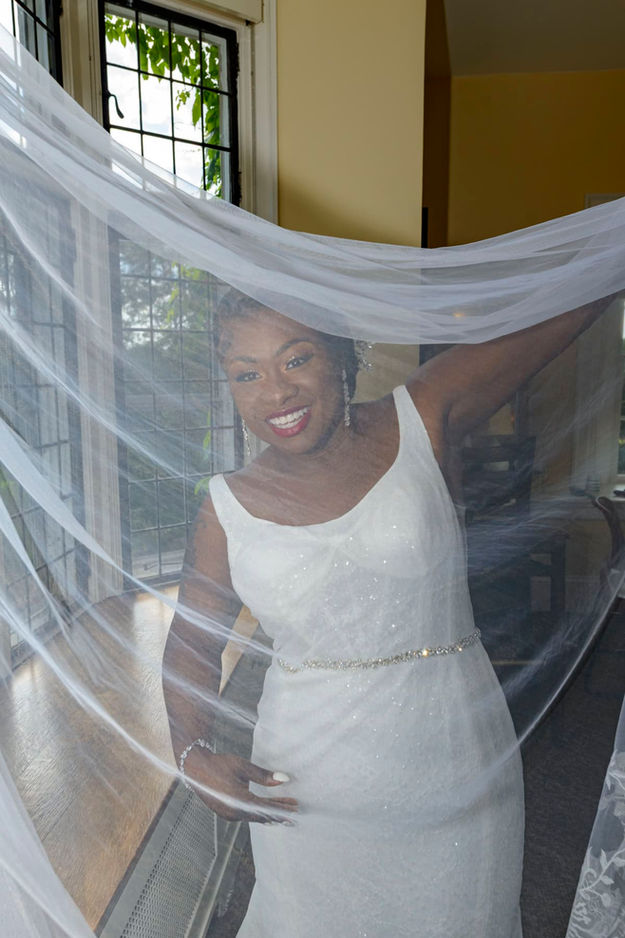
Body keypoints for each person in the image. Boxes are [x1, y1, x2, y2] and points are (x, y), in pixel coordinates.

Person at [162, 293, 609, 937]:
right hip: (308, 789)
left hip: (454, 769)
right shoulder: (225, 508)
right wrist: (191, 751)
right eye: (247, 373)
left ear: (342, 359)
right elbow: (191, 644)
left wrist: (608, 255)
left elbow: (555, 315)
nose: (276, 392)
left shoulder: (422, 416)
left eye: (297, 359)